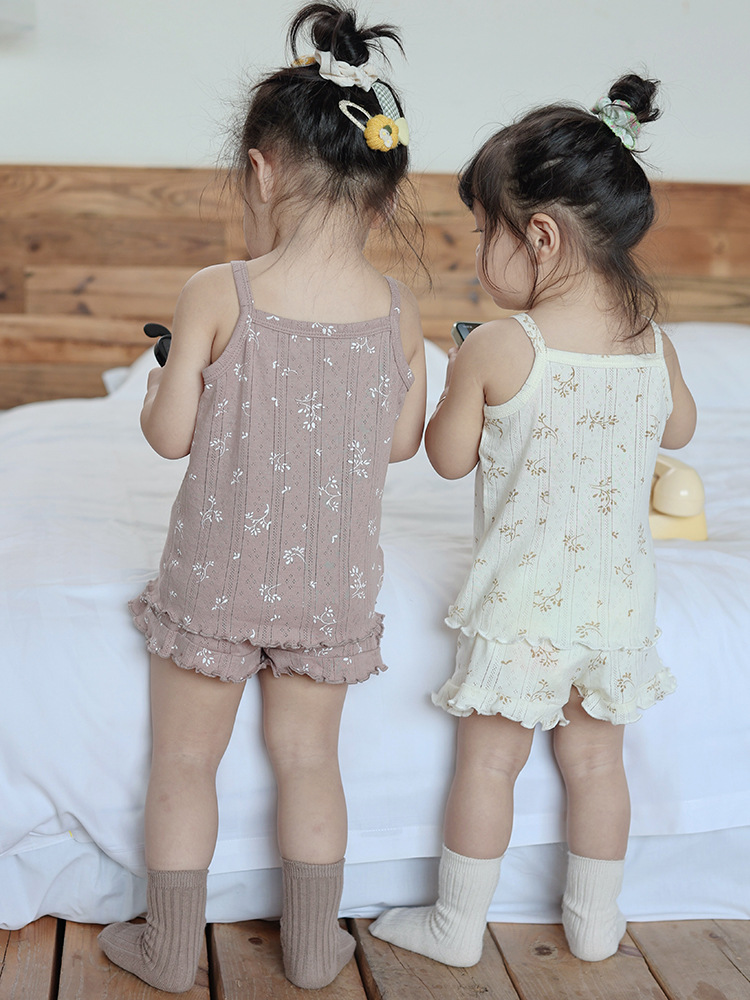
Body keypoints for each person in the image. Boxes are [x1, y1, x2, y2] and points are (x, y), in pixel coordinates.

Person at [98, 3, 426, 992]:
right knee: (311, 763)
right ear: (380, 194)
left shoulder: (219, 290)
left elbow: (170, 437)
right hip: (330, 587)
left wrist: (160, 385)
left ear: (261, 171)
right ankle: (317, 948)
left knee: (183, 764)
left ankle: (167, 947)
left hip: (217, 579)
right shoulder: (399, 310)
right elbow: (400, 441)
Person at [370, 74, 696, 966]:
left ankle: (455, 927)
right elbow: (679, 429)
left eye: (486, 232)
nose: (481, 252)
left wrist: (459, 374)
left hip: (524, 604)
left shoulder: (503, 346)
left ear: (541, 237)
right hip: (617, 601)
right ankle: (595, 923)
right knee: (598, 765)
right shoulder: (653, 342)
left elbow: (446, 457)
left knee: (489, 763)